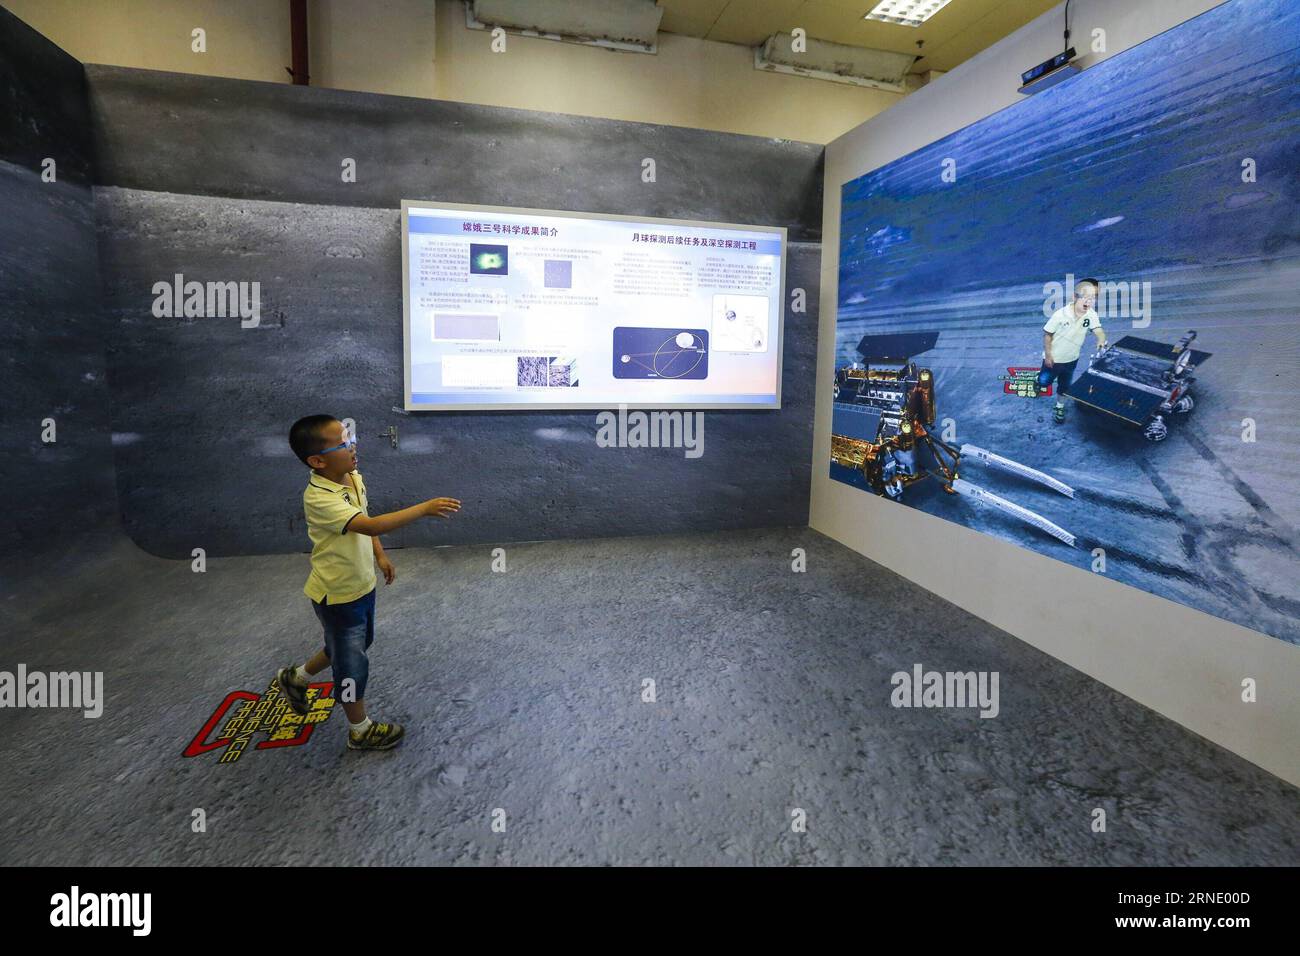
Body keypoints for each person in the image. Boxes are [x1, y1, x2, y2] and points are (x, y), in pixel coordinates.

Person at [277, 415, 461, 750]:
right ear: (317, 461)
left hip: (362, 585)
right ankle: (359, 729)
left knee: (354, 644)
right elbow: (371, 525)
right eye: (343, 443)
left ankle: (296, 677)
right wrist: (423, 509)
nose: (353, 446)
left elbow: (364, 521)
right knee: (351, 662)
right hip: (338, 594)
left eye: (350, 438)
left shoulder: (351, 477)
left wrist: (380, 557)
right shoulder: (320, 498)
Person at [1039, 277, 1107, 422]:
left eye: (1093, 298)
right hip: (1053, 359)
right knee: (1044, 381)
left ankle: (1059, 407)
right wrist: (1049, 356)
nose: (1088, 301)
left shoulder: (1091, 314)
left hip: (1072, 360)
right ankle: (1038, 383)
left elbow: (1098, 328)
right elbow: (1047, 335)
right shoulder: (1060, 315)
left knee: (1065, 386)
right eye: (1085, 297)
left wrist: (1101, 338)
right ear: (1074, 297)